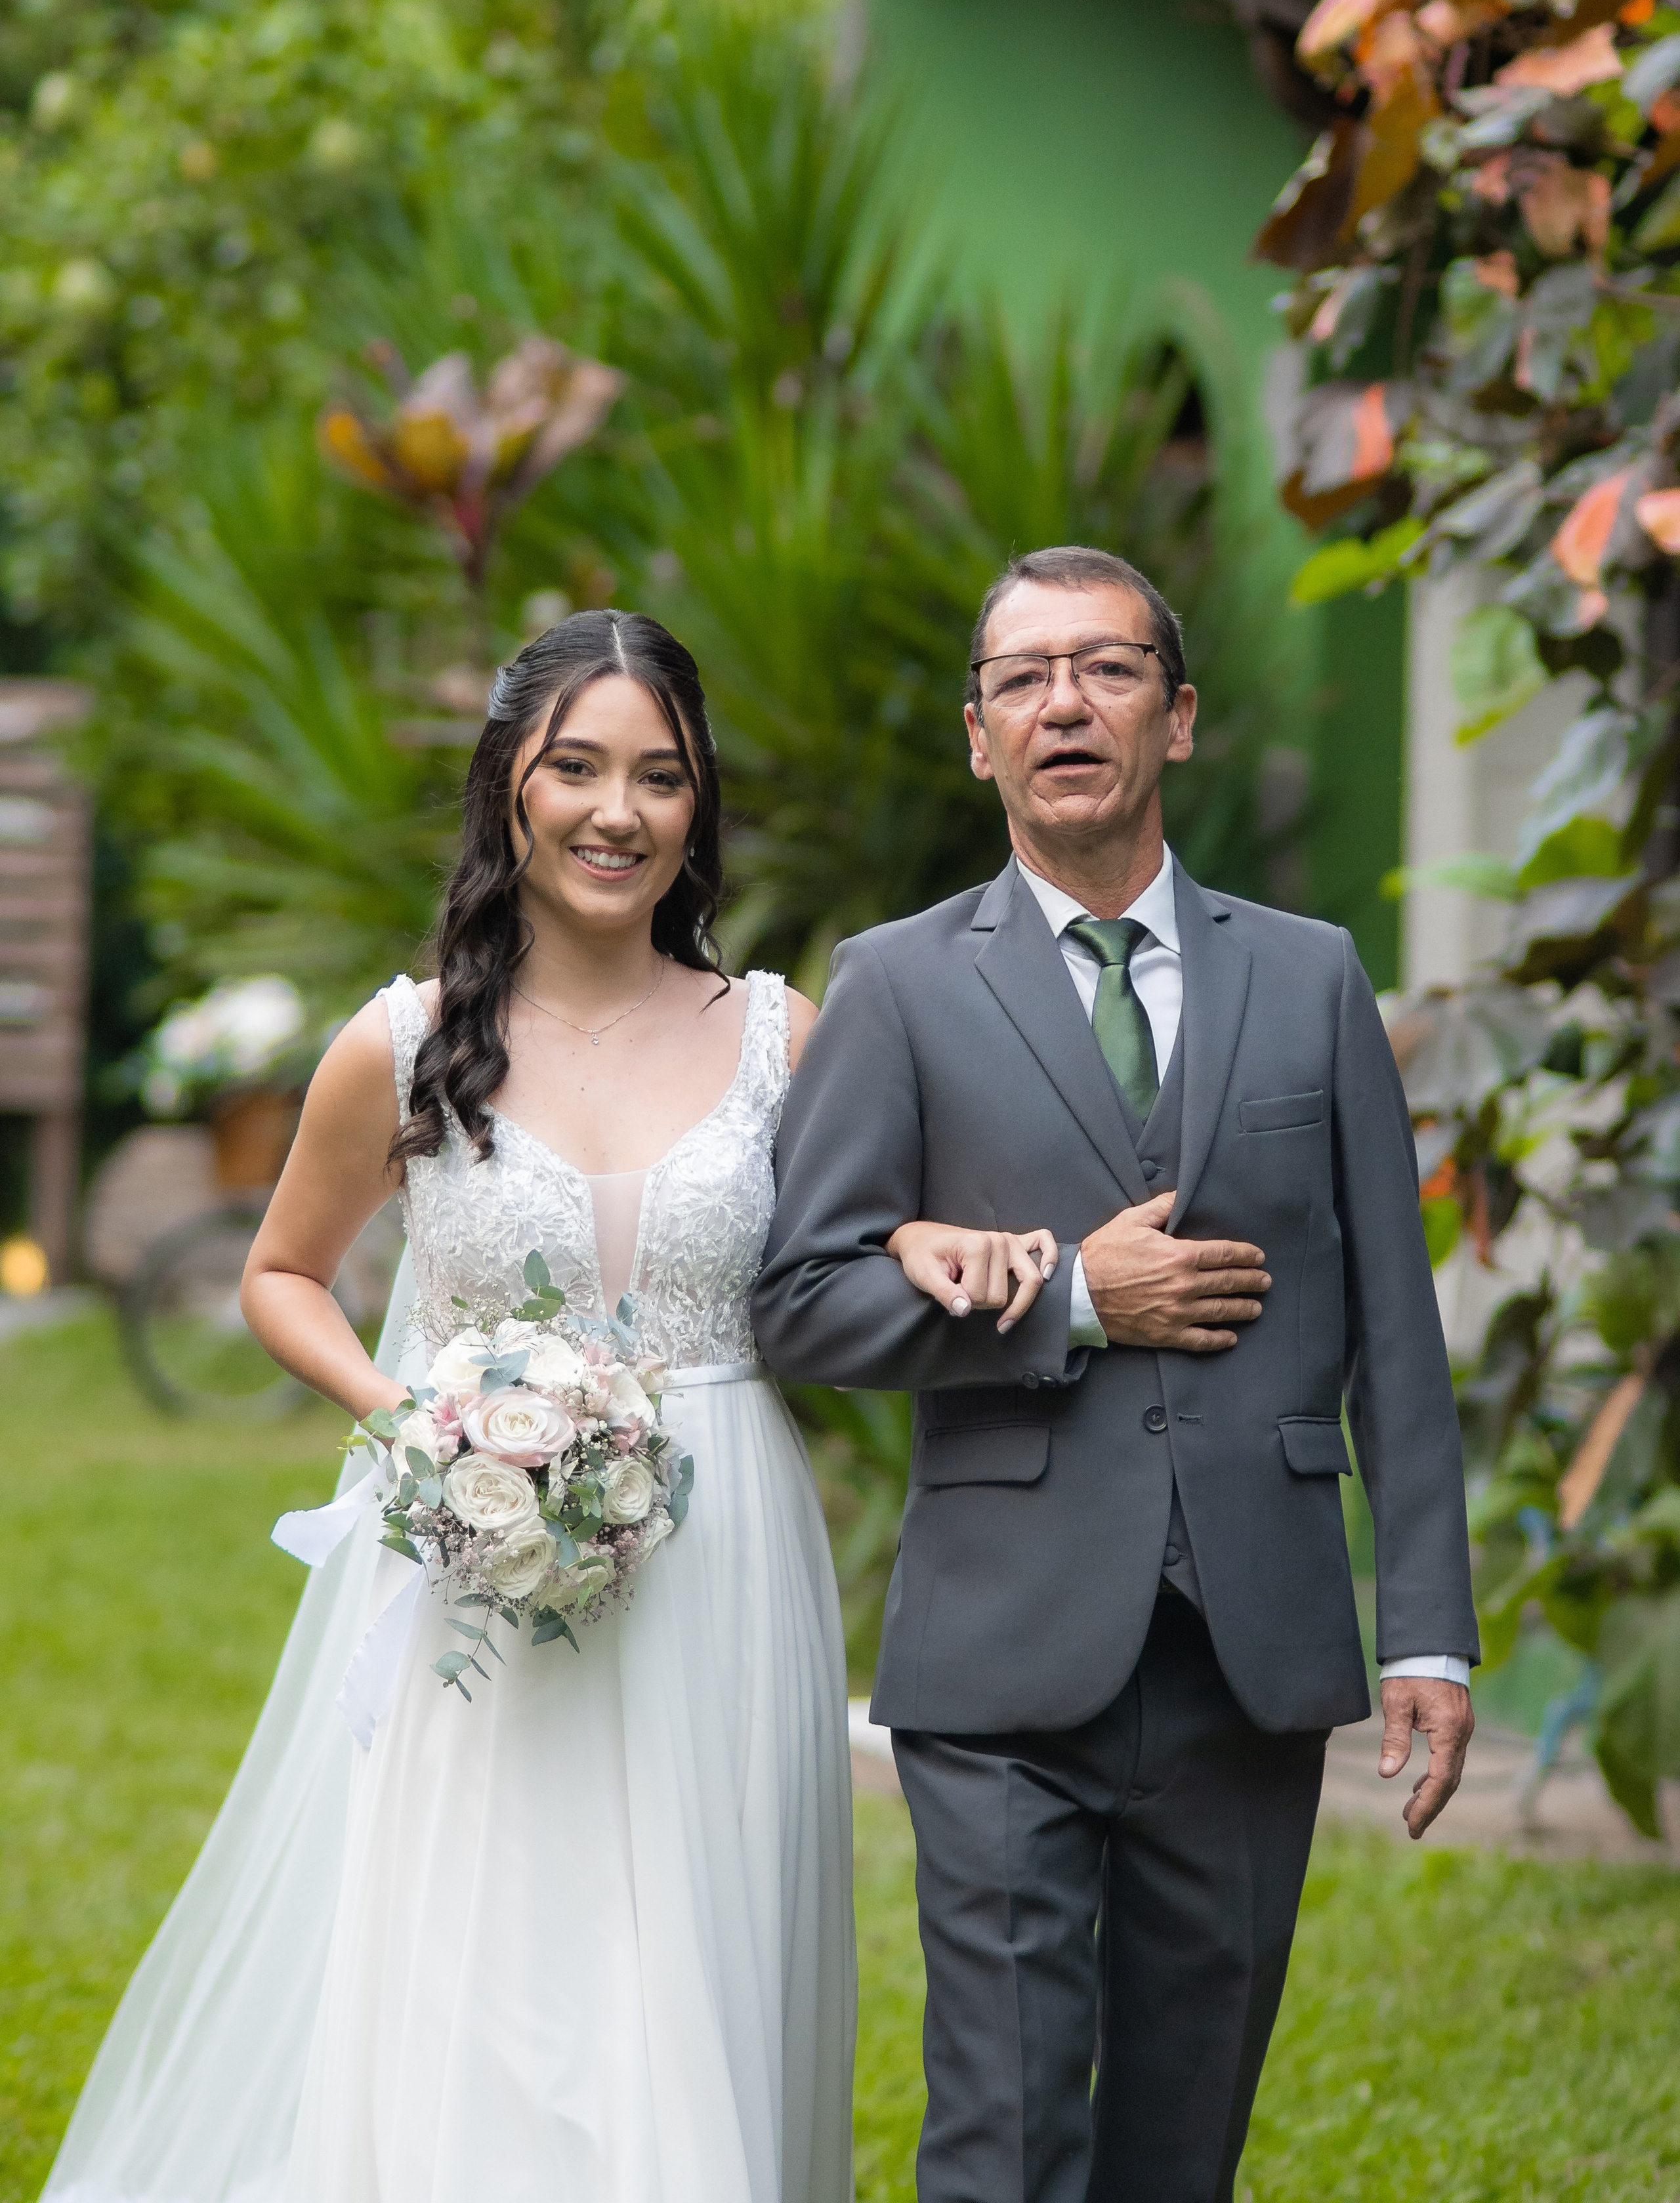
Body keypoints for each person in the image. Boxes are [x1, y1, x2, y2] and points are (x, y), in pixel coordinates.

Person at [45, 611, 857, 2203]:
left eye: (661, 777)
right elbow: (283, 1272)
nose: (617, 811)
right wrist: (422, 1421)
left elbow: (865, 1262)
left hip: (728, 1560)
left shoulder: (779, 1037)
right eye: (576, 768)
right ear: (510, 790)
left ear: (699, 812)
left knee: (704, 1955)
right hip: (483, 1565)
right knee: (494, 1967)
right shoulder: (408, 1042)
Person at [753, 545, 1479, 2203]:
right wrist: (1071, 1296)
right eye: (1021, 677)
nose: (1062, 702)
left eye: (1105, 668)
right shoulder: (899, 983)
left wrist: (1424, 1626)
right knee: (1001, 2133)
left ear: (1179, 715)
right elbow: (798, 1304)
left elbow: (1394, 1331)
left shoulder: (1308, 976)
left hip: (1252, 1650)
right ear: (977, 737)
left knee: (1183, 2139)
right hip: (1000, 1649)